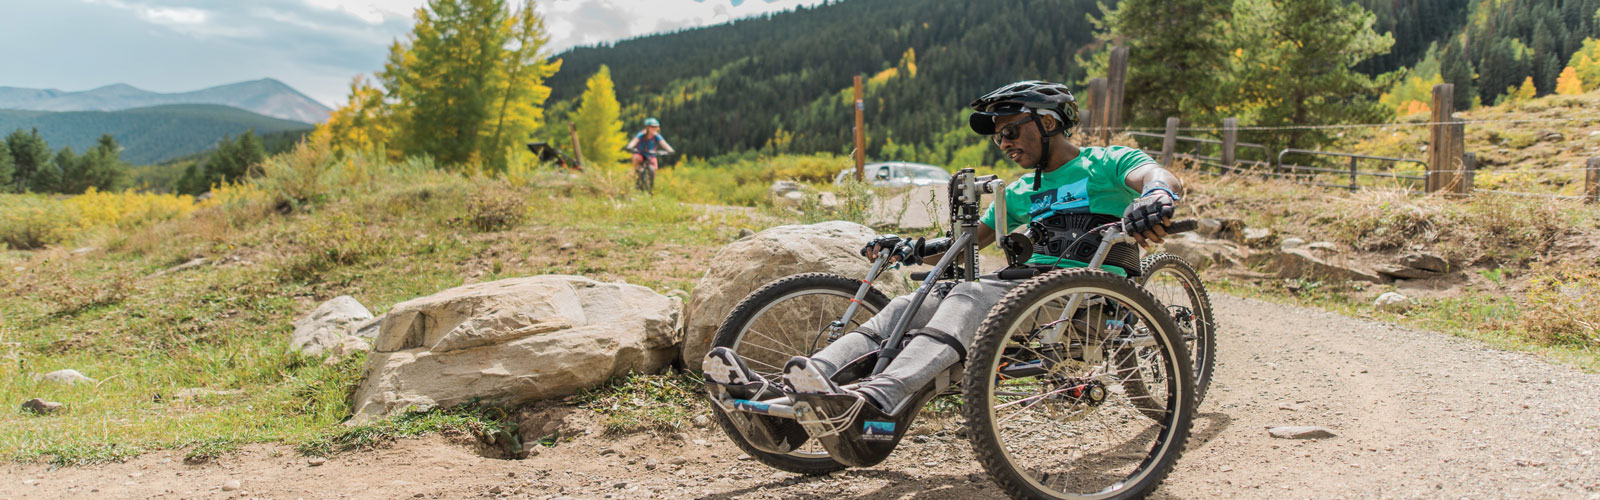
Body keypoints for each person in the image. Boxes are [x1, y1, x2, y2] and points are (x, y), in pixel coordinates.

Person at [704, 80, 1185, 416]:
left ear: (1050, 122)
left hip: (1090, 294)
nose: (1004, 142)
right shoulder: (1019, 192)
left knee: (968, 294)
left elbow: (1158, 175)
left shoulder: (1106, 162)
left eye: (1012, 130)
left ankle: (881, 397)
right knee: (907, 303)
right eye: (998, 136)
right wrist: (913, 249)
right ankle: (796, 388)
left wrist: (1158, 196)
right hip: (1028, 291)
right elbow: (965, 243)